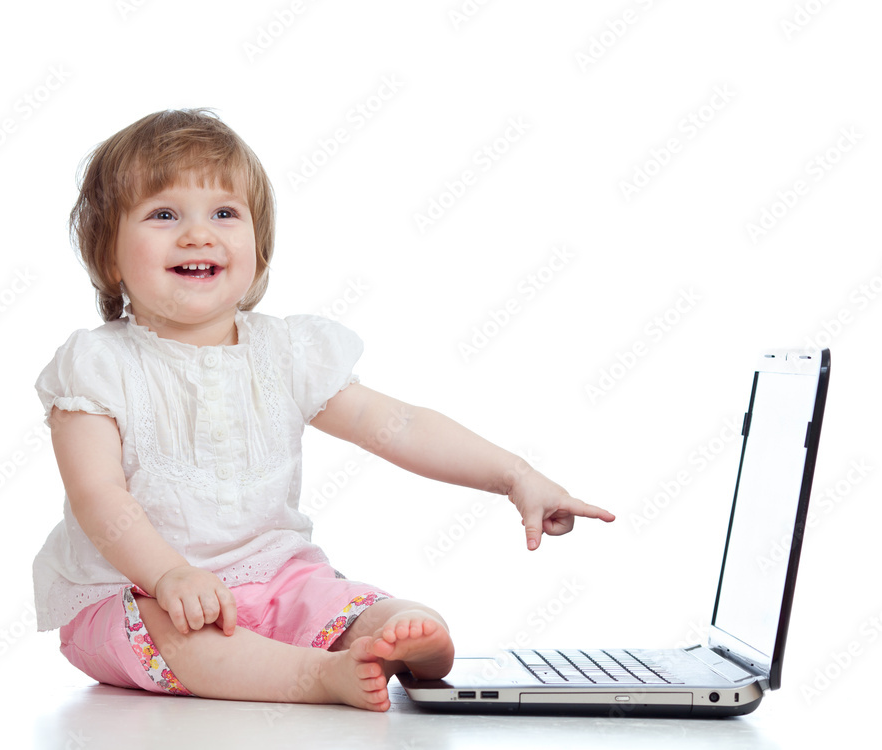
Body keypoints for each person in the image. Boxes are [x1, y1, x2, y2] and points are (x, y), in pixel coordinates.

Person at [33, 108, 615, 712]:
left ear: (259, 248)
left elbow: (400, 426)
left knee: (335, 600)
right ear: (108, 255)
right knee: (175, 635)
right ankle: (316, 676)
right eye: (164, 215)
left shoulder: (287, 354)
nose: (198, 235)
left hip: (274, 581)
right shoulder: (96, 366)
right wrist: (168, 575)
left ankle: (383, 635)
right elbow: (98, 495)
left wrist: (515, 475)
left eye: (225, 214)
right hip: (135, 591)